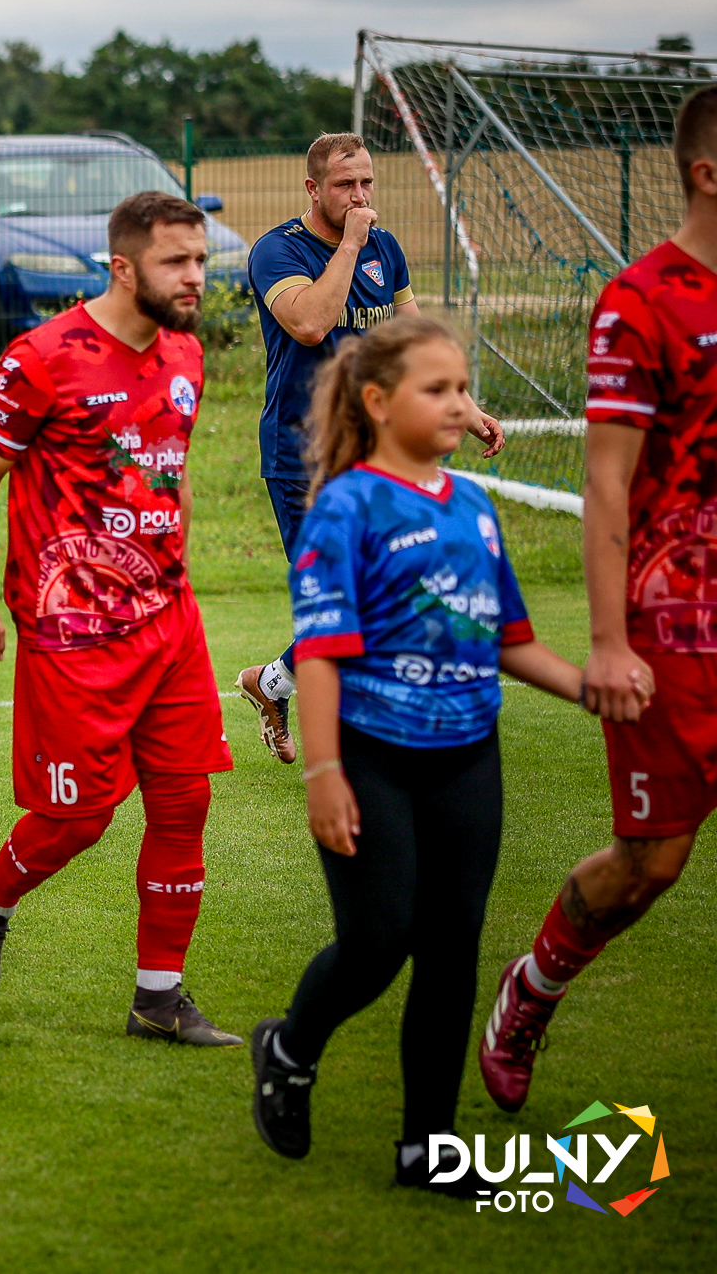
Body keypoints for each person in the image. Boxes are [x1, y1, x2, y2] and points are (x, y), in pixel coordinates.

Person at [248, 316, 584, 1195]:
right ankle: (289, 1047)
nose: (458, 405)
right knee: (377, 939)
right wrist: (324, 774)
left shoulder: (473, 506)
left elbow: (508, 638)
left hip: (469, 755)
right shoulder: (345, 507)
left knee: (451, 951)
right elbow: (319, 654)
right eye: (438, 390)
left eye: (463, 388)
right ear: (377, 401)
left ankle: (428, 1152)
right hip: (370, 756)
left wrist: (595, 689)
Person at [0, 191, 242, 1045]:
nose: (195, 277)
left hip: (169, 621)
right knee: (80, 818)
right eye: (176, 263)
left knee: (184, 805)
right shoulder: (43, 356)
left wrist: (179, 559)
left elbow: (171, 468)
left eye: (200, 261)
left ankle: (159, 997)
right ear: (123, 266)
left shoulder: (186, 354)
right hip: (72, 631)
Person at [478, 85, 717, 1113]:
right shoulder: (642, 299)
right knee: (648, 864)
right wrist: (609, 642)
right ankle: (529, 990)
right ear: (706, 173)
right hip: (675, 631)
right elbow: (607, 480)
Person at [234, 133, 504, 765]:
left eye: (366, 184)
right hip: (302, 455)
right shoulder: (276, 251)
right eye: (344, 185)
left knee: (388, 589)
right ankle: (348, 734)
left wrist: (465, 410)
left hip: (374, 457)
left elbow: (411, 347)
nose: (360, 197)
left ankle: (272, 684)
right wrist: (350, 244)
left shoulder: (388, 251)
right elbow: (310, 323)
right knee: (343, 598)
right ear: (313, 189)